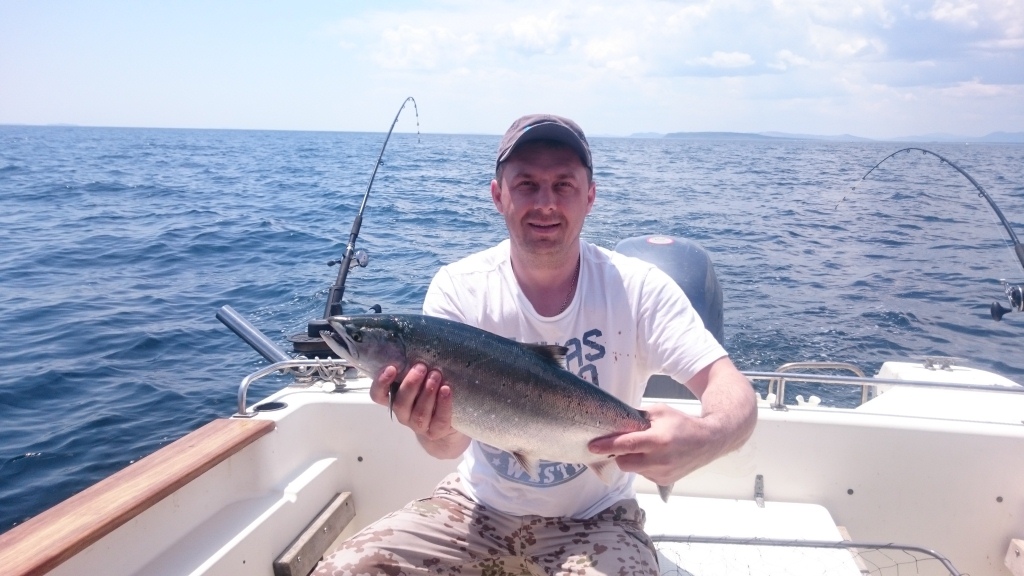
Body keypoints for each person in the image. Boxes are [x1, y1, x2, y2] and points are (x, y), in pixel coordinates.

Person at [313, 114, 757, 575]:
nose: (546, 203)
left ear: (590, 196)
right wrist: (433, 428)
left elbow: (729, 385)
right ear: (497, 195)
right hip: (474, 509)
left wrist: (707, 436)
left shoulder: (639, 288)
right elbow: (446, 447)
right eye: (526, 184)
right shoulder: (459, 287)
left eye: (563, 185)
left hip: (599, 519)